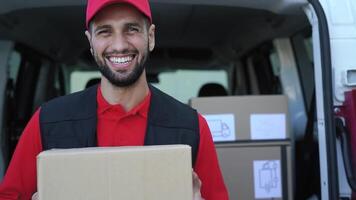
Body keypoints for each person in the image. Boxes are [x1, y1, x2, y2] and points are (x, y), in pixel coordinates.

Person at [0, 0, 229, 199]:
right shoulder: (47, 121)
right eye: (105, 31)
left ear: (150, 37)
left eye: (131, 29)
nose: (119, 45)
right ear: (90, 42)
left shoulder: (191, 126)